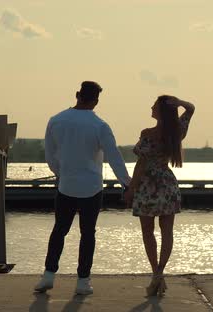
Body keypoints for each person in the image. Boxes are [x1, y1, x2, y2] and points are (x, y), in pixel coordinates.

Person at [34, 81, 131, 295]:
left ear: (77, 94)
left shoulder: (56, 120)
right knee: (88, 233)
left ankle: (48, 275)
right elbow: (114, 156)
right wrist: (127, 183)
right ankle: (82, 281)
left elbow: (50, 154)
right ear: (96, 101)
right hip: (92, 187)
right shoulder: (100, 126)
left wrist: (61, 173)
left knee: (59, 230)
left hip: (66, 184)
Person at [124, 95, 195, 296]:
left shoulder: (148, 133)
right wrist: (180, 102)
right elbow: (191, 109)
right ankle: (159, 273)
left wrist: (131, 188)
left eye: (154, 105)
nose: (151, 107)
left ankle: (156, 273)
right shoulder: (176, 132)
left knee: (148, 232)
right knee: (166, 232)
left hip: (147, 185)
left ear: (161, 110)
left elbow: (141, 164)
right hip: (166, 184)